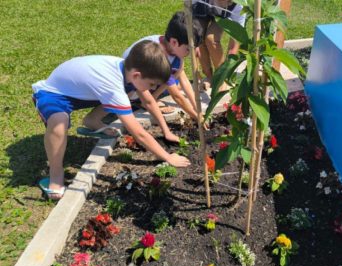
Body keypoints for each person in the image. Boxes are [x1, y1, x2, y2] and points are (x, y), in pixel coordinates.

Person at [32, 40, 191, 200]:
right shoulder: (112, 84)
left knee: (125, 93)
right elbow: (138, 133)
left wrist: (166, 131)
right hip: (53, 93)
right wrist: (167, 157)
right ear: (137, 75)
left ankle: (93, 120)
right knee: (59, 122)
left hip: (79, 92)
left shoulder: (127, 72)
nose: (151, 88)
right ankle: (55, 176)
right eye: (151, 84)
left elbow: (149, 101)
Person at [123, 12, 204, 134]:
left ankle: (154, 95)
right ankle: (145, 101)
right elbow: (177, 96)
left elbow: (184, 79)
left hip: (148, 80)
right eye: (188, 49)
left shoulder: (171, 46)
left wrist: (198, 109)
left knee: (177, 73)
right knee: (174, 83)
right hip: (133, 87)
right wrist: (196, 118)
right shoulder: (159, 55)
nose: (190, 53)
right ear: (174, 42)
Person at [192, 0, 246, 89]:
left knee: (211, 39)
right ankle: (209, 77)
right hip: (202, 7)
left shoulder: (239, 5)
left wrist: (226, 71)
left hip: (225, 16)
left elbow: (234, 43)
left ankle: (221, 79)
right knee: (198, 35)